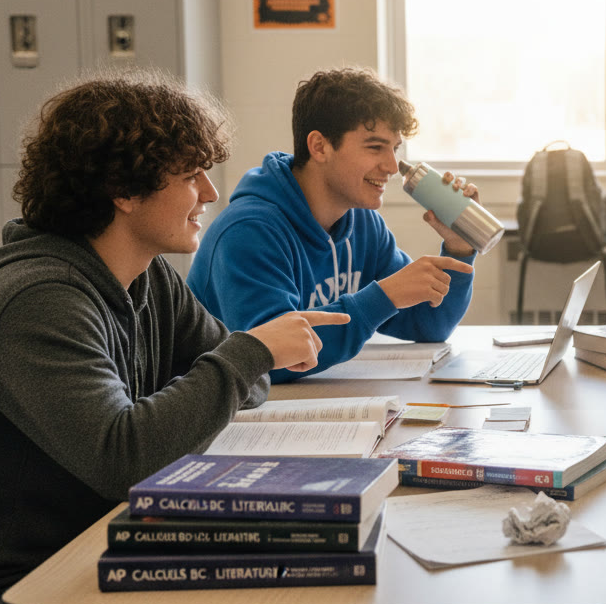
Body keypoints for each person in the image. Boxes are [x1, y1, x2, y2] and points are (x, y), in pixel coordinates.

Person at [0, 72, 350, 604]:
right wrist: (248, 351)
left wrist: (241, 361)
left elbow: (249, 387)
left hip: (116, 554)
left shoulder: (145, 277)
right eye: (191, 174)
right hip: (17, 603)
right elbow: (126, 457)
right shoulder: (35, 301)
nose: (210, 193)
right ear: (123, 187)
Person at [187, 66, 476, 383]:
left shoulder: (365, 225)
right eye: (375, 147)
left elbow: (429, 325)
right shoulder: (247, 232)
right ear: (320, 146)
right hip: (230, 424)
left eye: (395, 149)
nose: (392, 166)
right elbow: (274, 362)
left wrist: (458, 247)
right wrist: (383, 296)